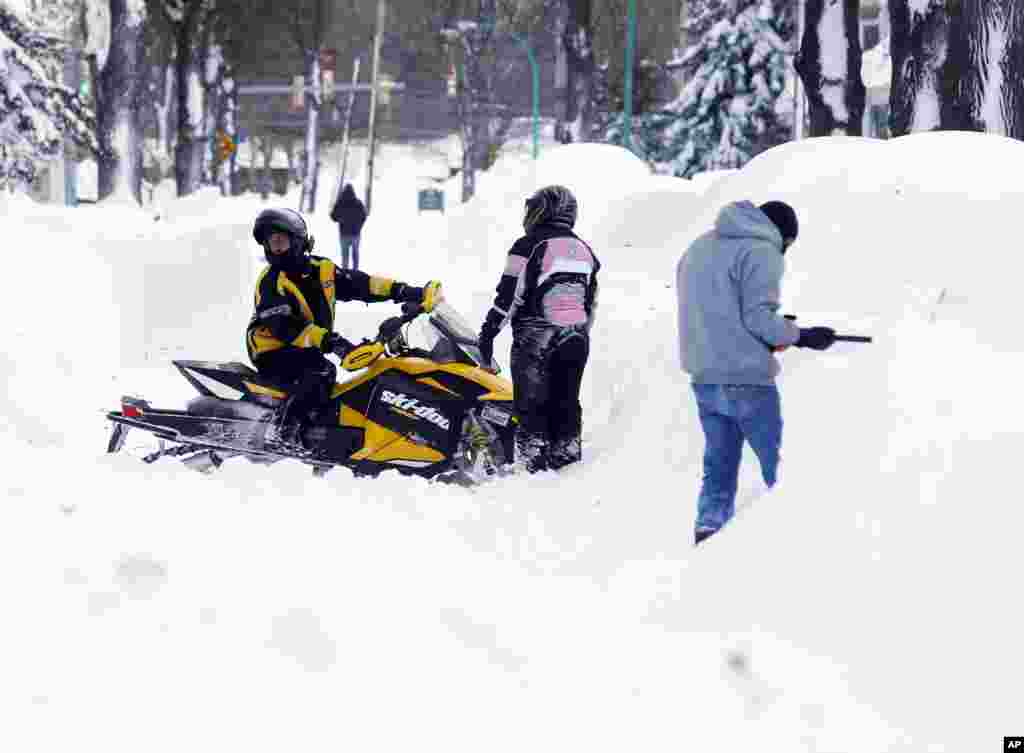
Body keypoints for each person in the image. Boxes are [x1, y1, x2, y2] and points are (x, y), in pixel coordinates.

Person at [676, 200, 837, 545]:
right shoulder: (762, 250)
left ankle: (708, 533)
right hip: (747, 379)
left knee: (718, 466)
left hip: (705, 376)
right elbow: (759, 319)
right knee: (778, 467)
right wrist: (802, 336)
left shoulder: (699, 247)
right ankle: (784, 541)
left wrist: (762, 337)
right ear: (783, 235)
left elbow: (713, 312)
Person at [246, 207, 441, 451]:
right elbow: (285, 327)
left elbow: (363, 284)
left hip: (308, 345)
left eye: (280, 242)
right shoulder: (271, 282)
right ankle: (283, 433)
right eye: (271, 244)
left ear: (298, 241)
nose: (275, 250)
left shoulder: (322, 269)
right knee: (321, 372)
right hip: (272, 348)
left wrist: (404, 291)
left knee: (327, 378)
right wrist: (333, 342)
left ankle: (320, 430)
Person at [477, 185, 601, 473]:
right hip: (577, 335)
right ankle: (568, 466)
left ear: (541, 211)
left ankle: (532, 468)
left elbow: (508, 296)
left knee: (531, 404)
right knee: (567, 399)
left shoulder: (527, 245)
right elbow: (590, 302)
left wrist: (488, 333)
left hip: (536, 335)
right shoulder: (586, 250)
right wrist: (579, 331)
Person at [329, 183, 368, 270]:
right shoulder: (358, 203)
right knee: (355, 254)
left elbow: (333, 216)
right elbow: (364, 216)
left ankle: (345, 273)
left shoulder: (340, 203)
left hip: (343, 234)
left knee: (345, 255)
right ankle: (355, 272)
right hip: (356, 234)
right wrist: (359, 226)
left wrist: (339, 219)